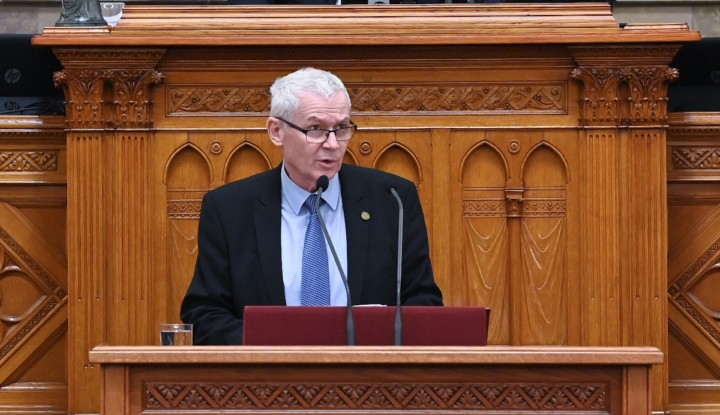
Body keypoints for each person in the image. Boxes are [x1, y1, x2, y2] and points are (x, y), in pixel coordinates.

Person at [180, 67, 443, 345]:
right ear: (277, 131)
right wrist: (277, 344)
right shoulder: (230, 209)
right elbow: (205, 315)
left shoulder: (393, 200)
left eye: (341, 128)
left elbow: (423, 301)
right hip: (269, 370)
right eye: (316, 129)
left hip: (368, 369)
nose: (332, 144)